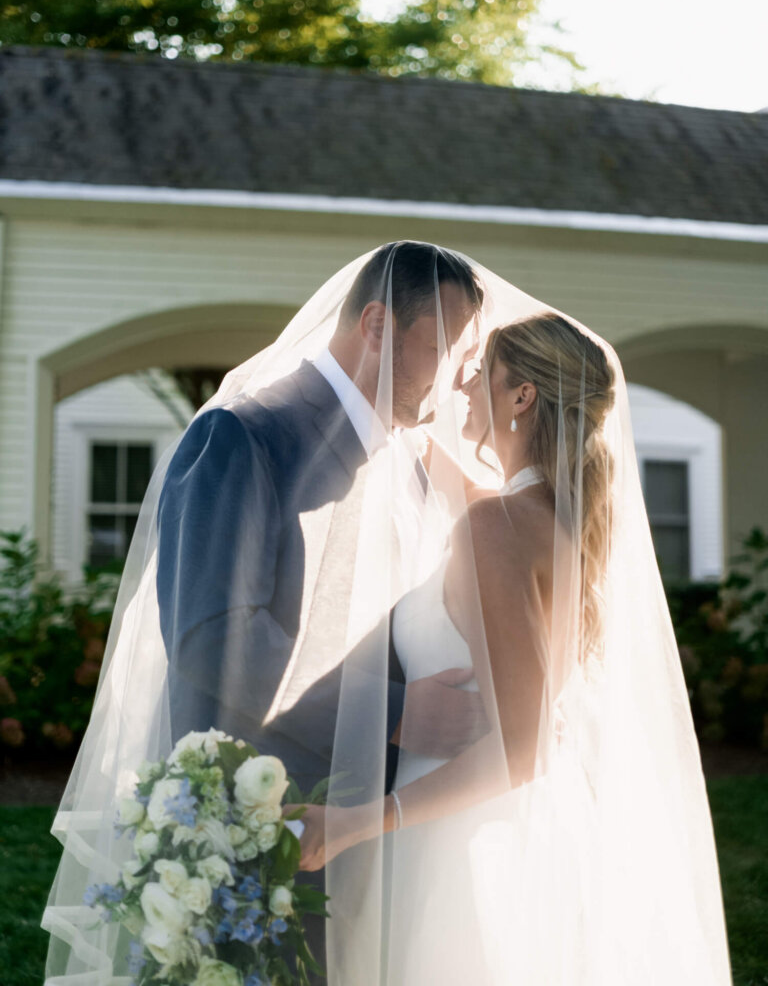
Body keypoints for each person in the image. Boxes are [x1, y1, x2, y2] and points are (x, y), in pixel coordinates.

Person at [42, 247, 731, 986]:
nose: (459, 375)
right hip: (266, 827)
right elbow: (214, 640)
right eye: (445, 346)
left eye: (473, 357)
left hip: (404, 836)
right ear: (377, 325)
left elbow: (518, 568)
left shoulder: (419, 459)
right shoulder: (243, 437)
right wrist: (397, 714)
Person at [291, 313, 733, 985]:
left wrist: (356, 822)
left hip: (461, 846)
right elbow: (457, 488)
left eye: (479, 374)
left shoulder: (495, 525)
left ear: (521, 395)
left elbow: (522, 747)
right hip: (519, 828)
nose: (462, 387)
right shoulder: (544, 520)